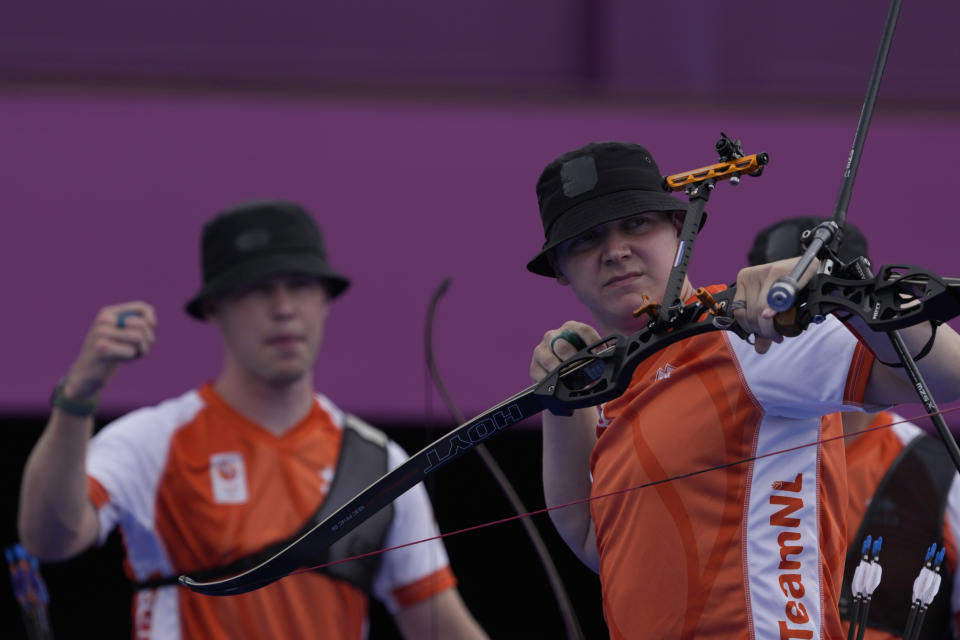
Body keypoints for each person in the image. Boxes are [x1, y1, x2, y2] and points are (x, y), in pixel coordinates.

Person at [525, 141, 960, 639]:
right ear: (560, 268)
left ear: (680, 227)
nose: (615, 250)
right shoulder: (620, 381)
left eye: (636, 223)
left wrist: (838, 289)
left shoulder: (750, 335)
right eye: (586, 239)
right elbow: (592, 537)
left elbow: (948, 374)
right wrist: (564, 403)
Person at [18, 200, 489, 640]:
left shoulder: (380, 462)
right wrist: (77, 398)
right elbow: (49, 539)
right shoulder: (152, 441)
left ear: (326, 300)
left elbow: (437, 621)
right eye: (258, 289)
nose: (283, 308)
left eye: (301, 285)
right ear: (213, 308)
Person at [750, 216, 960, 640]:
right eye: (787, 310)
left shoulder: (939, 474)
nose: (807, 329)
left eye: (826, 302)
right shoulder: (718, 450)